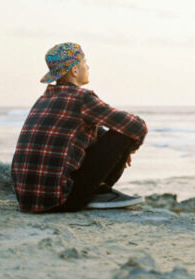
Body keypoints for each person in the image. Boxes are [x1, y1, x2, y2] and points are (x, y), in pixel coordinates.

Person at [11, 42, 147, 213]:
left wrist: (118, 148)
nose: (88, 67)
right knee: (124, 134)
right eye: (85, 63)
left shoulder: (44, 99)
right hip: (62, 200)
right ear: (75, 71)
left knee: (107, 130)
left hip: (27, 200)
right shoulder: (81, 98)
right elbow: (137, 126)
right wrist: (128, 147)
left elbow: (86, 132)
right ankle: (96, 191)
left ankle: (97, 190)